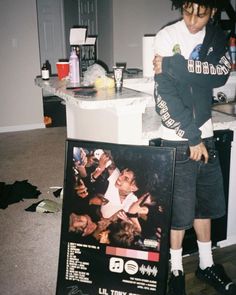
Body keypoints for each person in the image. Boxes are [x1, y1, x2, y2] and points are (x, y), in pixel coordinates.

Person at [152, 1, 235, 295]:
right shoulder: (166, 36)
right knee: (178, 211)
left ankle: (206, 264)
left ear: (212, 12)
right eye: (187, 12)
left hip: (207, 136)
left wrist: (176, 65)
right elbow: (165, 94)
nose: (191, 20)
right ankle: (175, 268)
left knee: (204, 207)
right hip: (178, 138)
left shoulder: (216, 39)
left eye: (200, 15)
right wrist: (192, 137)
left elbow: (219, 75)